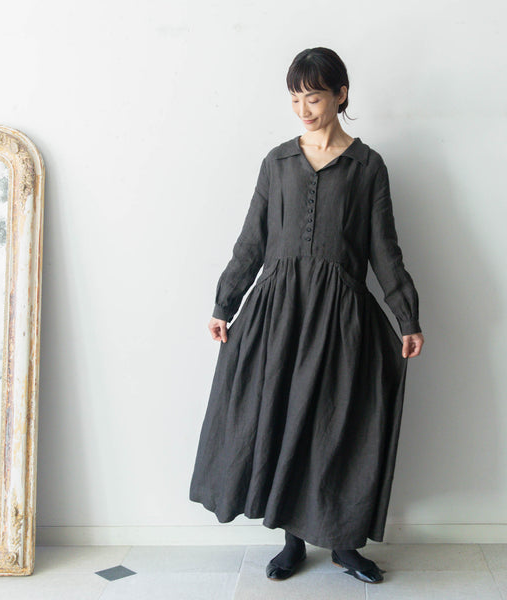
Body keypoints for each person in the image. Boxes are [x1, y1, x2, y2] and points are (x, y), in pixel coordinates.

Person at [189, 47, 425, 585]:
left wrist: (407, 317)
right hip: (278, 316)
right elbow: (252, 240)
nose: (303, 110)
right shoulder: (277, 162)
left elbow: (384, 249)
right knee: (281, 422)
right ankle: (291, 542)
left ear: (341, 95)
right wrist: (225, 303)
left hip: (340, 318)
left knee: (335, 428)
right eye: (295, 98)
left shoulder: (367, 167)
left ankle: (344, 546)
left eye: (313, 98)